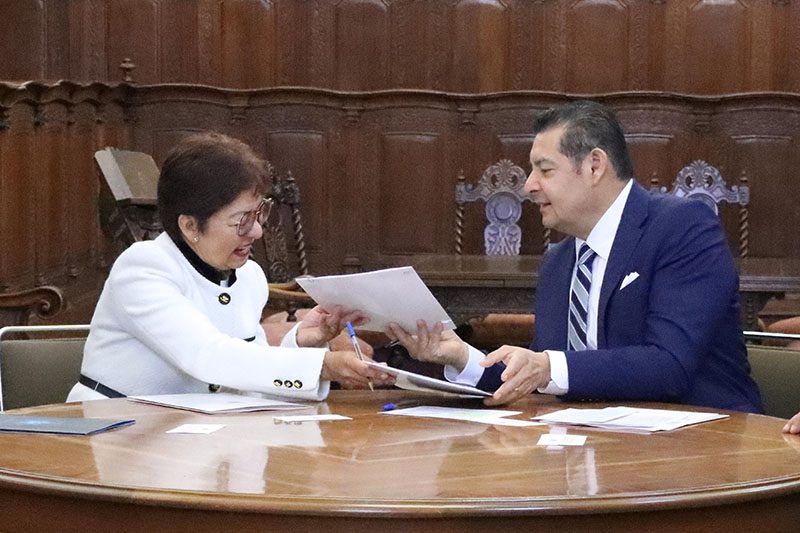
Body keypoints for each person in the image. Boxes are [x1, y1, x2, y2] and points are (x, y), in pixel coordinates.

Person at [387, 100, 762, 413]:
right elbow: (539, 375)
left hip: (706, 445)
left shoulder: (682, 227)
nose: (529, 185)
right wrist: (461, 357)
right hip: (598, 450)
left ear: (595, 166)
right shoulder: (559, 262)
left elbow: (669, 365)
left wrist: (546, 366)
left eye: (544, 169)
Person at [68, 132, 392, 402]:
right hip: (116, 430)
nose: (257, 231)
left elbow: (245, 372)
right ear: (190, 226)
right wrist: (323, 366)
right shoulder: (143, 268)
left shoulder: (248, 276)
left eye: (259, 213)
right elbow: (207, 354)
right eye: (242, 220)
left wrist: (303, 341)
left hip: (198, 437)